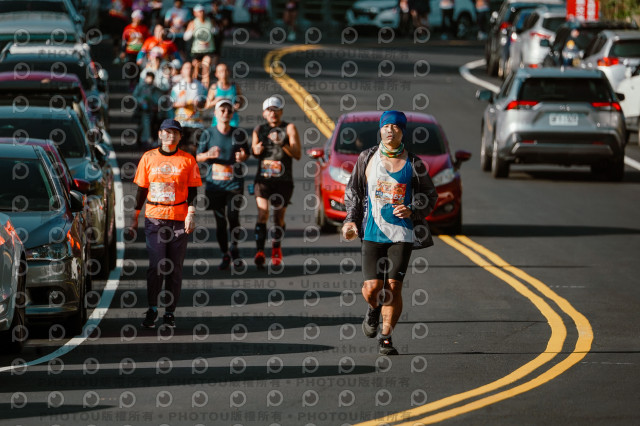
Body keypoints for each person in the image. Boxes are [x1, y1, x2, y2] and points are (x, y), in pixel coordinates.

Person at [342, 111, 438, 356]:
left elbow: (430, 195)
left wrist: (413, 208)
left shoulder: (414, 163)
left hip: (401, 233)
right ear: (380, 129)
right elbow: (353, 191)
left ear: (402, 132)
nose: (390, 130)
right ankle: (373, 309)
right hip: (372, 232)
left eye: (395, 127)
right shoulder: (367, 157)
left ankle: (385, 336)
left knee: (393, 287)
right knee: (372, 288)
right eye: (386, 126)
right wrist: (351, 220)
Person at [127, 119, 203, 329]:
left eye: (175, 133)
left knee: (174, 268)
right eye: (167, 132)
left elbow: (193, 190)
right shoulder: (148, 157)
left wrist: (191, 214)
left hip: (179, 218)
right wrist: (134, 216)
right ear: (160, 134)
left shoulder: (188, 160)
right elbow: (142, 189)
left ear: (180, 137)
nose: (171, 136)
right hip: (155, 217)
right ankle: (152, 308)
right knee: (157, 265)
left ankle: (170, 312)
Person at [196, 99, 250, 270]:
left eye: (229, 111)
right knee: (220, 222)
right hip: (215, 185)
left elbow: (246, 154)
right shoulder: (208, 133)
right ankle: (224, 253)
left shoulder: (239, 133)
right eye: (222, 110)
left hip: (234, 184)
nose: (225, 113)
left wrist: (243, 157)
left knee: (233, 216)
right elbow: (198, 157)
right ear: (216, 113)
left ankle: (234, 248)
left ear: (232, 114)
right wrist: (208, 155)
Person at [251, 96, 301, 268]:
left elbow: (297, 154)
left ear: (281, 111)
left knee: (278, 218)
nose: (273, 113)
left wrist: (282, 143)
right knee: (262, 213)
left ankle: (276, 247)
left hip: (283, 180)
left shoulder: (289, 128)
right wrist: (256, 150)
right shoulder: (259, 129)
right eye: (269, 110)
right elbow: (254, 151)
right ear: (264, 113)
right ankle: (259, 251)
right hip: (263, 180)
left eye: (276, 110)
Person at [171, 62, 207, 155]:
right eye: (186, 68)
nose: (189, 70)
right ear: (182, 71)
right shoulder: (176, 87)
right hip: (181, 122)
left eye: (191, 68)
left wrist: (199, 103)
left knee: (193, 149)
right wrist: (183, 104)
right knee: (181, 148)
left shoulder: (200, 86)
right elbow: (171, 103)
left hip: (196, 123)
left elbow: (205, 102)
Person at [184, 4, 218, 88]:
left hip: (208, 50)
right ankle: (196, 88)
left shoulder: (210, 21)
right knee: (196, 72)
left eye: (202, 11)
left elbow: (216, 31)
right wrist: (191, 31)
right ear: (195, 13)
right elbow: (185, 37)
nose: (201, 13)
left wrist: (214, 28)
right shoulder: (193, 23)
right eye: (199, 11)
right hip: (197, 51)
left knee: (206, 69)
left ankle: (205, 89)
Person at [205, 63, 244, 128]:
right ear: (216, 74)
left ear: (229, 72)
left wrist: (238, 105)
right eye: (221, 71)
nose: (223, 73)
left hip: (232, 120)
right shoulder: (214, 87)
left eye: (225, 70)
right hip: (218, 121)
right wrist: (215, 101)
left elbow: (241, 100)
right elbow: (207, 105)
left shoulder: (235, 86)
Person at [133, 71, 163, 145]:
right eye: (148, 78)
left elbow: (158, 98)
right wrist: (141, 101)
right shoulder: (140, 87)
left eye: (151, 78)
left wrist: (156, 106)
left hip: (151, 110)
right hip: (141, 110)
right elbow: (135, 96)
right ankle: (142, 140)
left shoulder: (155, 88)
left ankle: (147, 140)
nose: (149, 80)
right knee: (143, 125)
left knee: (150, 125)